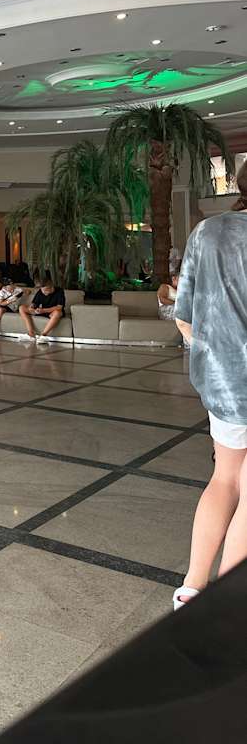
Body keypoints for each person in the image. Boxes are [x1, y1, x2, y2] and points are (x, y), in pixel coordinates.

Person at [173, 160, 247, 611]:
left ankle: (191, 589)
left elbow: (184, 316)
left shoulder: (208, 232)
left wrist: (217, 355)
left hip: (225, 386)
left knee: (224, 479)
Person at [19, 279, 65, 344]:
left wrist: (43, 310)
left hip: (52, 312)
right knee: (22, 308)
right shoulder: (41, 291)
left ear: (52, 287)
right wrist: (32, 307)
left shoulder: (59, 291)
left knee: (58, 312)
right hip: (42, 311)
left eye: (46, 290)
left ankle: (43, 335)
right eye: (42, 290)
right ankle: (31, 333)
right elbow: (34, 303)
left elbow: (59, 307)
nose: (43, 292)